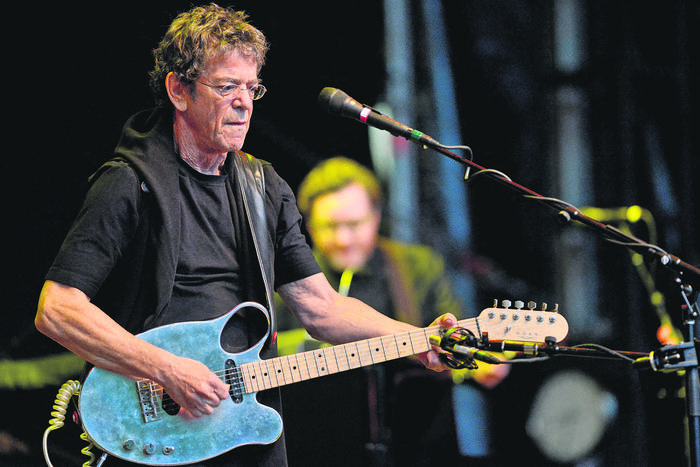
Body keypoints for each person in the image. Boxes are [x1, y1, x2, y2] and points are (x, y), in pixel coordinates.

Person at [34, 5, 455, 467]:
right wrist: (167, 369)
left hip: (244, 437)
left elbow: (322, 308)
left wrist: (418, 338)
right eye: (226, 86)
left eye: (251, 87)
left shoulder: (264, 188)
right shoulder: (127, 183)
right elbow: (57, 310)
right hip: (151, 431)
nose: (244, 102)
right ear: (179, 89)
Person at [275, 156, 509, 466]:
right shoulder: (289, 280)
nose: (343, 239)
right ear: (307, 225)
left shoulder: (418, 267)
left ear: (376, 216)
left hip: (415, 442)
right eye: (329, 226)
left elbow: (456, 341)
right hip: (316, 442)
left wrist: (475, 362)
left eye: (354, 225)